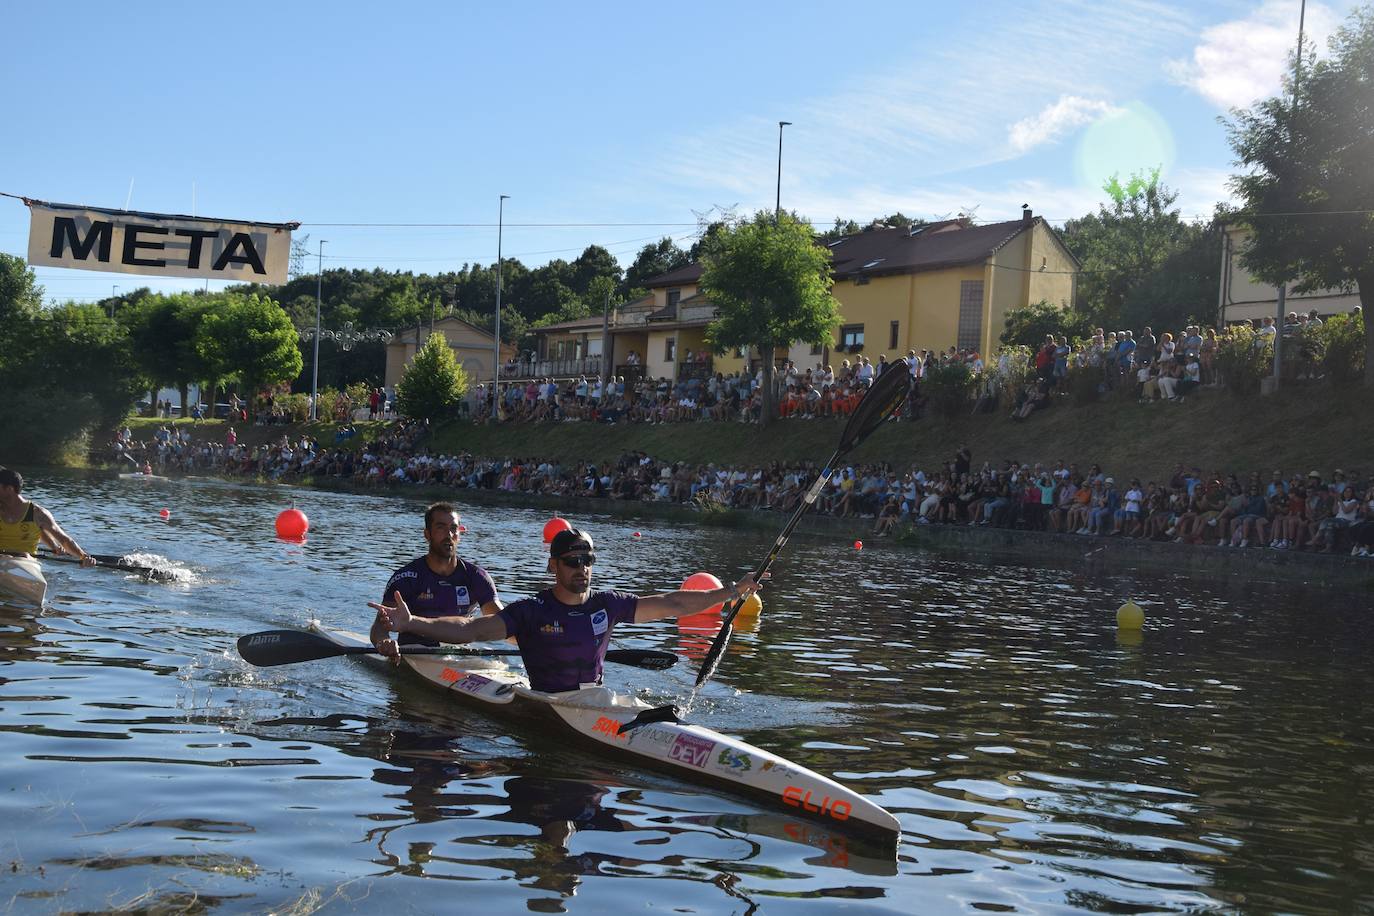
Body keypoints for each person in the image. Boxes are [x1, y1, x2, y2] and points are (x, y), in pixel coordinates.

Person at [372, 527, 765, 694]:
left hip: (594, 703)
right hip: (547, 704)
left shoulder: (607, 605)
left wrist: (731, 591)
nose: (582, 568)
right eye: (572, 561)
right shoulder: (531, 611)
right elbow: (470, 629)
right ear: (553, 566)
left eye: (587, 559)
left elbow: (675, 602)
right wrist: (413, 623)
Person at [369, 502, 503, 660]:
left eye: (453, 528)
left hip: (459, 650)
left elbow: (503, 623)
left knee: (499, 660)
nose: (449, 534)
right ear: (427, 534)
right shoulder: (406, 578)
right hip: (416, 650)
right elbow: (379, 628)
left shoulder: (477, 577)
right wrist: (384, 641)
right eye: (441, 527)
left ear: (459, 535)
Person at [0, 467, 96, 566]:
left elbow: (64, 540)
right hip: (1, 560)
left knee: (23, 555)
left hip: (25, 563)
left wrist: (84, 556)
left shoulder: (37, 513)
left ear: (9, 489)